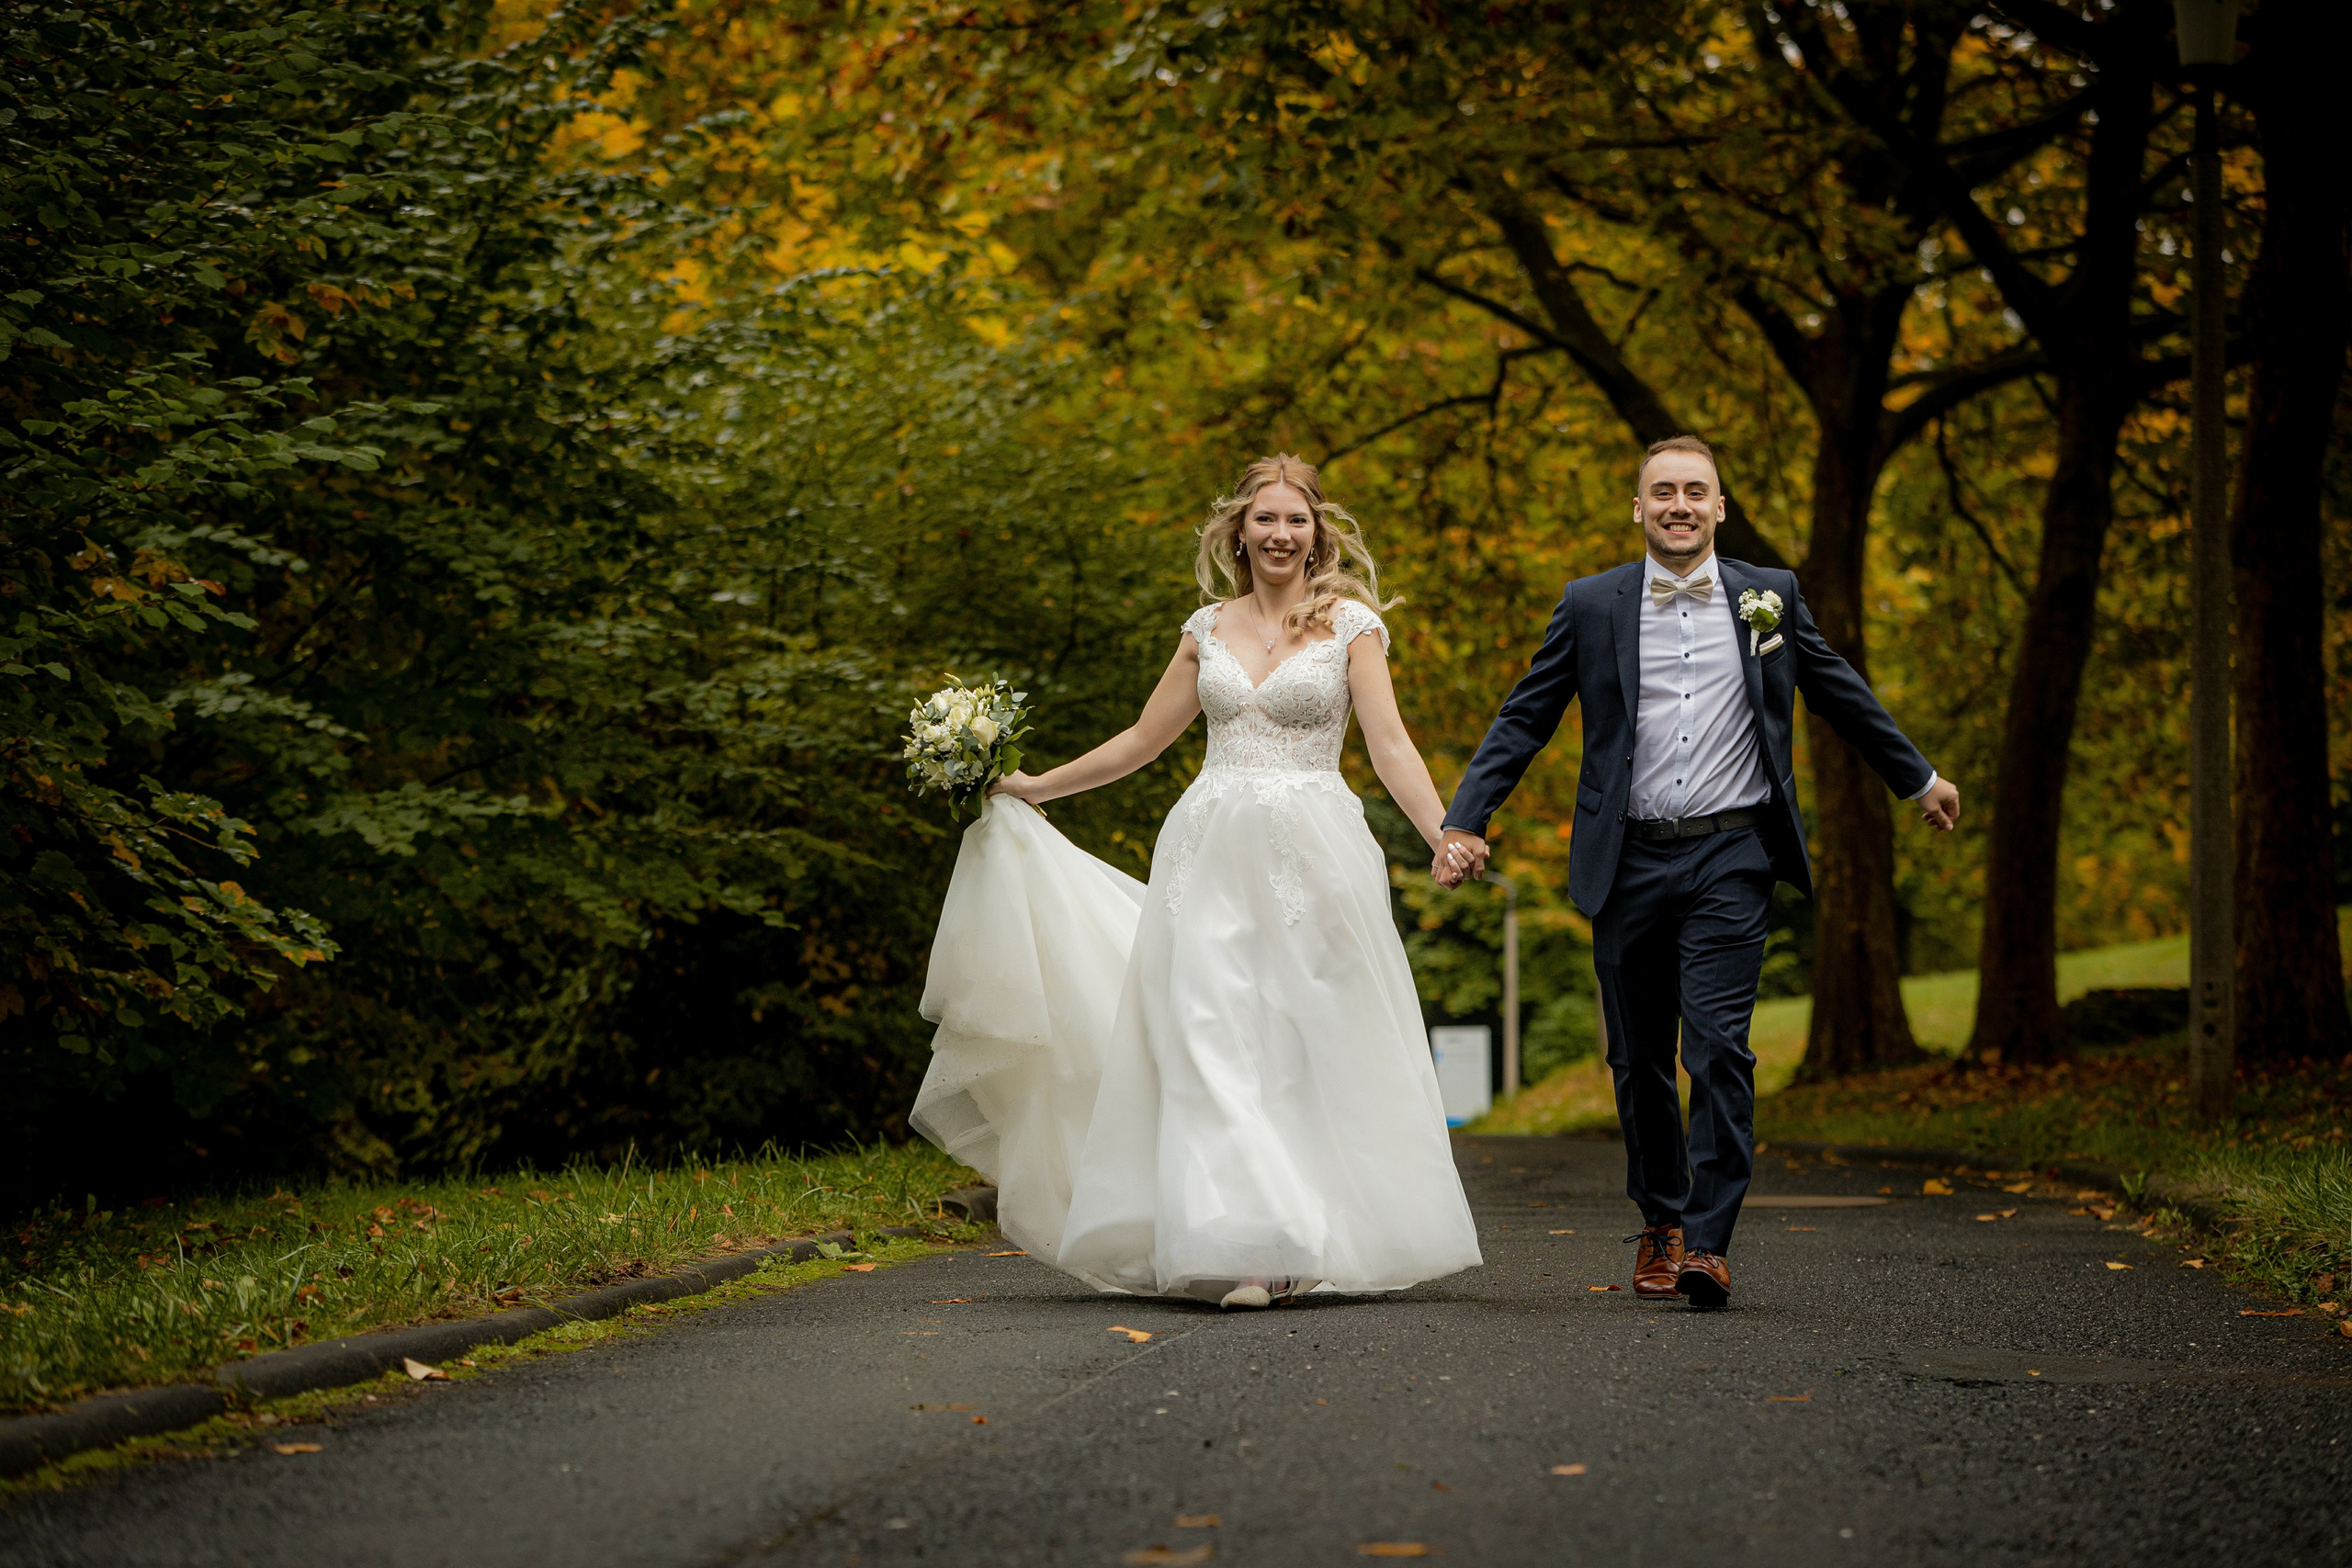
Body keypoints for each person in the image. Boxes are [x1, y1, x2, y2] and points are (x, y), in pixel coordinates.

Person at [910, 454, 1481, 1308]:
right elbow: (1143, 739)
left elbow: (1389, 744)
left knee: (1296, 1038)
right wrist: (1034, 784)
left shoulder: (1353, 627)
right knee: (1209, 1034)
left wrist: (1444, 831)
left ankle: (1293, 1236)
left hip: (1314, 852)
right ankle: (1241, 1237)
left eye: (1297, 520)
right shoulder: (1206, 627)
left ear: (1318, 532)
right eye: (1266, 520)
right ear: (1239, 533)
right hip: (1206, 849)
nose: (1281, 534)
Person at [1435, 435, 1960, 1310]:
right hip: (1628, 855)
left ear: (1721, 507)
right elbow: (1524, 716)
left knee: (1718, 1047)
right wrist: (1465, 816)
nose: (1679, 504)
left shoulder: (1769, 597)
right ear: (1637, 508)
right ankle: (1662, 1219)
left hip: (1732, 852)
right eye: (1662, 491)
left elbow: (1836, 687)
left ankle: (1709, 1244)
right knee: (1639, 1057)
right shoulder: (1591, 604)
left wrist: (1918, 775)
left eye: (1696, 491)